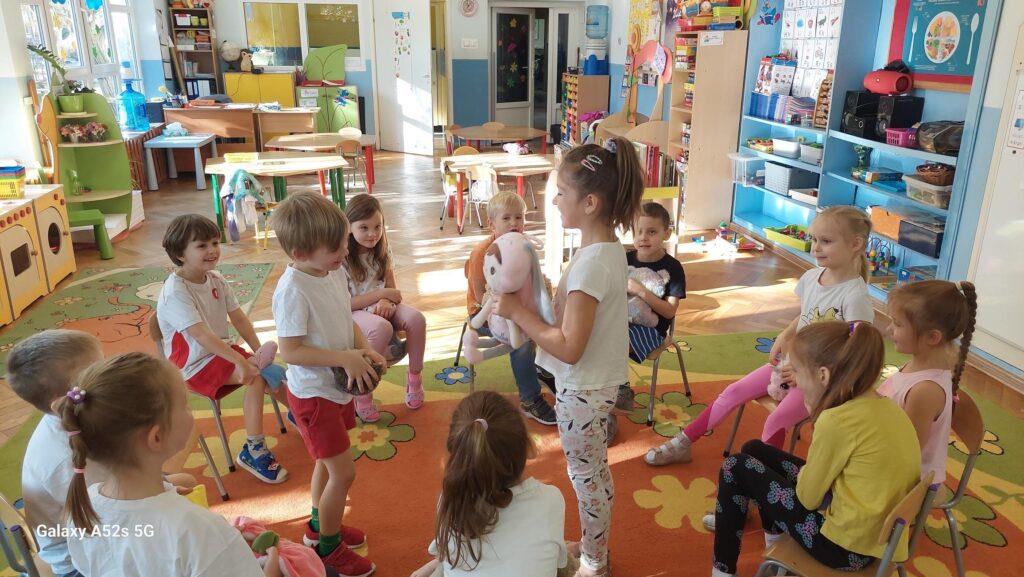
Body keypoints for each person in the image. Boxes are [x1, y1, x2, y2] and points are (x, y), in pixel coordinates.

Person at [495, 137, 643, 577]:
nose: (554, 200)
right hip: (593, 385)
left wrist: (518, 312)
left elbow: (569, 347)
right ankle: (596, 547)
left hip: (583, 390)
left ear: (590, 203)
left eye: (561, 192)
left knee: (586, 478)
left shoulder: (592, 264)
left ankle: (595, 562)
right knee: (593, 473)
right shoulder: (605, 249)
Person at [645, 206, 875, 466]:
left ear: (856, 244)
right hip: (792, 364)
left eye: (826, 241)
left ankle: (763, 476)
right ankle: (683, 443)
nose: (816, 248)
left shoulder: (855, 297)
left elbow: (856, 353)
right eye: (814, 239)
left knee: (776, 420)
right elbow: (807, 315)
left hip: (821, 383)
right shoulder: (813, 277)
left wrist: (806, 374)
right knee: (732, 392)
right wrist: (785, 334)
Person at [710, 322, 921, 577]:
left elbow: (808, 498)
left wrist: (818, 420)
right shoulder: (887, 408)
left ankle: (722, 572)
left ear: (823, 376)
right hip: (873, 538)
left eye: (797, 372)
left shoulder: (836, 421)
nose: (795, 382)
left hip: (842, 548)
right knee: (754, 449)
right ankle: (774, 543)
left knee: (735, 466)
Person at [60, 352, 282, 576]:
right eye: (185, 404)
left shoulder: (83, 508)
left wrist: (224, 545)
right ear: (156, 437)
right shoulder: (197, 530)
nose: (190, 411)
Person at [271, 192, 385, 577]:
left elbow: (344, 317)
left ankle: (319, 526)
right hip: (313, 397)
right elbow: (291, 351)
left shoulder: (332, 270)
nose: (345, 251)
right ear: (300, 253)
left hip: (336, 389)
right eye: (335, 247)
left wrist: (364, 348)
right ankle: (329, 549)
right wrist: (344, 358)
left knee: (326, 461)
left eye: (343, 242)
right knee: (343, 472)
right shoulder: (292, 290)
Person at [158, 214, 287, 483]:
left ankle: (304, 415)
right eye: (202, 245)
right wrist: (241, 362)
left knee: (271, 372)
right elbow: (201, 335)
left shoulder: (215, 279)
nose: (212, 250)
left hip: (221, 352)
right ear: (180, 254)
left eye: (215, 243)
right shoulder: (175, 292)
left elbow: (239, 318)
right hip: (194, 365)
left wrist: (257, 350)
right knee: (255, 376)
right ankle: (253, 450)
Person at [410, 391, 572, 577]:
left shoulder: (450, 500)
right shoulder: (550, 499)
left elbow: (450, 553)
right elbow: (558, 565)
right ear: (529, 446)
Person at [12, 330, 105, 577]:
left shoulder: (73, 422)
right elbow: (115, 517)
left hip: (92, 533)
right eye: (99, 372)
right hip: (79, 562)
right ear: (67, 399)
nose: (111, 375)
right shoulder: (65, 457)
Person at [466, 190, 557, 425]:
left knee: (553, 321)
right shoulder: (483, 253)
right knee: (523, 342)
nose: (514, 223)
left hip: (519, 307)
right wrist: (519, 312)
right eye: (506, 218)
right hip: (486, 313)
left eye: (519, 217)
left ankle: (545, 368)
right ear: (491, 224)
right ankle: (530, 399)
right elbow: (481, 297)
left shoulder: (524, 246)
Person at [880, 280, 977, 481]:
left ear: (932, 337)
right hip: (889, 458)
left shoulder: (925, 391)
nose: (889, 329)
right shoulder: (917, 367)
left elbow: (907, 454)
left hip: (908, 483)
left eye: (897, 324)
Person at [345, 193, 428, 423]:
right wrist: (381, 295)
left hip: (382, 306)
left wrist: (387, 301)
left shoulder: (382, 250)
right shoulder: (342, 258)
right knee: (381, 328)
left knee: (417, 319)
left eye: (377, 227)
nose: (372, 234)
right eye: (364, 228)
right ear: (349, 227)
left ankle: (414, 379)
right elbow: (345, 304)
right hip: (354, 312)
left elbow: (393, 290)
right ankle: (362, 393)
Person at [617, 201, 686, 412]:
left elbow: (670, 311)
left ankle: (620, 388)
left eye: (652, 232)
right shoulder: (625, 258)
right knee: (593, 334)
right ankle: (602, 387)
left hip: (652, 329)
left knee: (613, 344)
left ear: (667, 233)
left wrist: (641, 292)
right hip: (620, 320)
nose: (643, 237)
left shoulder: (673, 267)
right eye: (638, 231)